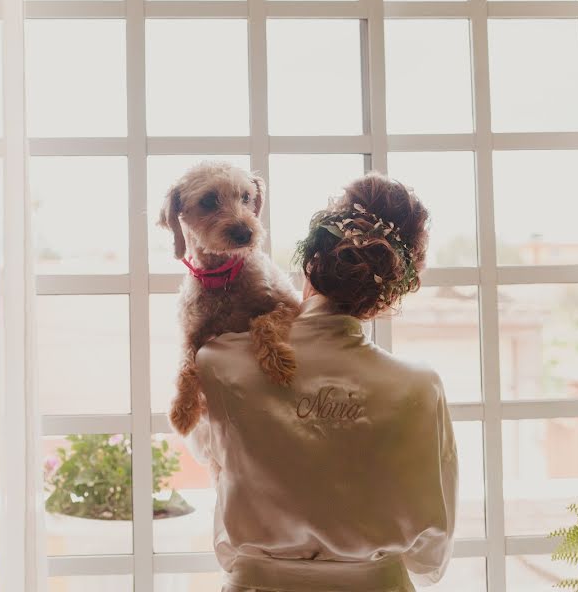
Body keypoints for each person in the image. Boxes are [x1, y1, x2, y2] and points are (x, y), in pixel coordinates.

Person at [186, 172, 458, 592]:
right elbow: (429, 555)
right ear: (388, 294)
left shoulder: (218, 362)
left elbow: (214, 467)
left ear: (310, 262)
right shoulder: (420, 386)